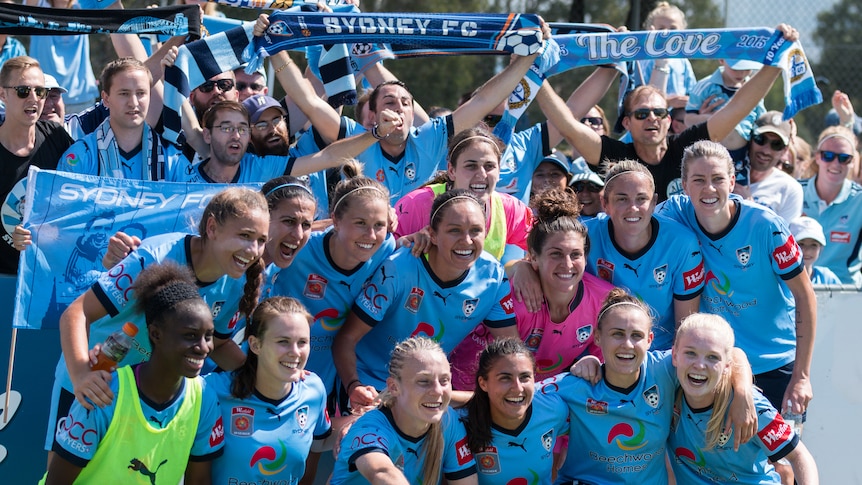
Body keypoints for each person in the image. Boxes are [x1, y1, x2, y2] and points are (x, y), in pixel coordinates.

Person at [44, 187, 270, 457]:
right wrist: (81, 374)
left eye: (260, 240)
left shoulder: (236, 284)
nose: (253, 249)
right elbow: (76, 313)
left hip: (149, 400)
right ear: (212, 228)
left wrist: (266, 376)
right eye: (244, 235)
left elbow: (219, 346)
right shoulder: (153, 258)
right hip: (95, 385)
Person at [656, 140, 816, 431]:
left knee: (784, 465)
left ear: (732, 181)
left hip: (775, 365)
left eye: (717, 179)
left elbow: (805, 296)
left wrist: (802, 376)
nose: (709, 189)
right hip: (717, 368)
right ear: (684, 184)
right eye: (699, 180)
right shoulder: (674, 213)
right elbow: (628, 224)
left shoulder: (766, 225)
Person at [564, 24, 800, 201]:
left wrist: (774, 62)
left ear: (669, 120)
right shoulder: (615, 156)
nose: (652, 118)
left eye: (659, 112)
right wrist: (610, 64)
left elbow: (737, 109)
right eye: (642, 114)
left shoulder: (686, 148)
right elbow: (567, 122)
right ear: (626, 122)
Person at [550, 289, 755, 485]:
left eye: (637, 335)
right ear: (597, 337)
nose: (628, 345)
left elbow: (733, 353)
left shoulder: (665, 367)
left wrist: (743, 393)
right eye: (617, 334)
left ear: (649, 340)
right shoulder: (577, 384)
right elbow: (525, 395)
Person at [43, 262, 224, 484]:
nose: (204, 347)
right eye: (190, 335)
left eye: (209, 336)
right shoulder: (104, 394)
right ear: (155, 334)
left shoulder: (204, 398)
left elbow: (198, 481)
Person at [334, 190, 518, 404]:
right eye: (454, 230)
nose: (466, 240)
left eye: (475, 230)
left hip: (430, 393)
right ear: (432, 234)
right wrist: (354, 386)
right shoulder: (398, 268)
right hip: (372, 388)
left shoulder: (493, 276)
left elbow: (512, 351)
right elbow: (345, 339)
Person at [457, 189, 613, 382]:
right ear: (533, 257)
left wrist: (593, 362)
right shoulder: (514, 300)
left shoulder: (604, 300)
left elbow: (609, 367)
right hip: (477, 387)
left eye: (576, 254)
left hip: (544, 394)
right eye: (555, 254)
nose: (567, 264)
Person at [271, 163, 396, 397]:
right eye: (360, 223)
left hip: (323, 385)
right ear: (335, 221)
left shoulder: (386, 248)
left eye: (378, 225)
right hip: (273, 372)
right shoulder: (299, 247)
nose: (370, 235)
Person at [669, 313, 819, 484]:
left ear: (727, 365)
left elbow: (799, 456)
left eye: (712, 357)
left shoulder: (750, 406)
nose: (700, 365)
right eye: (690, 353)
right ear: (674, 355)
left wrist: (742, 392)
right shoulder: (664, 383)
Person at [206, 296, 338, 484]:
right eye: (283, 341)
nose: (295, 352)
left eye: (302, 342)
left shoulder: (313, 390)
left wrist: (357, 423)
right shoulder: (212, 390)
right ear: (255, 345)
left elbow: (321, 440)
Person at [584, 160, 705, 350]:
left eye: (641, 199)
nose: (633, 208)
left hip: (660, 355)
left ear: (654, 202)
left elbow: (685, 326)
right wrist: (524, 269)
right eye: (622, 199)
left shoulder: (682, 243)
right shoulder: (585, 237)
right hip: (600, 355)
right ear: (605, 203)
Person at [329, 337, 478, 485]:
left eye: (444, 380)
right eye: (424, 381)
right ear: (394, 387)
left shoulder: (449, 421)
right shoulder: (369, 429)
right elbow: (382, 472)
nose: (438, 391)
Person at [393, 127, 533, 261]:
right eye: (471, 166)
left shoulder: (510, 209)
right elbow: (379, 253)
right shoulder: (415, 204)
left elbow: (545, 247)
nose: (482, 174)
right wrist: (402, 245)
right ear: (451, 170)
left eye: (489, 166)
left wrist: (521, 267)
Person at [56, 57, 194, 181]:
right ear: (106, 98)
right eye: (124, 93)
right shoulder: (81, 156)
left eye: (141, 93)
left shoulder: (172, 159)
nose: (133, 103)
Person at [0, 56, 74, 275]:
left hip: (48, 275)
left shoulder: (56, 137)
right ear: (3, 94)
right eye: (23, 90)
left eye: (40, 91)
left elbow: (80, 194)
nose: (33, 98)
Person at [462, 338, 569, 484]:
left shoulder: (554, 409)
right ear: (483, 383)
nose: (518, 388)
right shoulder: (461, 425)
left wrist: (590, 361)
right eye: (505, 378)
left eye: (525, 377)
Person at [798, 126, 862, 287]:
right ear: (817, 157)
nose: (835, 163)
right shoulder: (795, 191)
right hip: (797, 286)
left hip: (845, 290)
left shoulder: (859, 199)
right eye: (828, 156)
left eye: (844, 158)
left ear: (853, 162)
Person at [734, 111, 803, 222]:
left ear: (785, 150)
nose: (766, 150)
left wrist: (749, 206)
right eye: (760, 139)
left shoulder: (790, 189)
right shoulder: (726, 174)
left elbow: (780, 237)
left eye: (776, 144)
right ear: (750, 139)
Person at [630, 2, 697, 110]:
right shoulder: (643, 60)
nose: (666, 33)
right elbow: (639, 95)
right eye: (661, 29)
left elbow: (692, 89)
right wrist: (668, 101)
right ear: (650, 30)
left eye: (673, 28)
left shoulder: (682, 60)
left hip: (678, 119)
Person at [684, 59, 766, 147]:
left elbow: (762, 120)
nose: (741, 73)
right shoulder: (705, 86)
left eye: (747, 69)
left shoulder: (754, 90)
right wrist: (711, 118)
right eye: (736, 69)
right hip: (710, 149)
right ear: (721, 60)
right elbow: (688, 120)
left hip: (743, 152)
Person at [789, 216, 841, 285]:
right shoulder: (779, 280)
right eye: (801, 244)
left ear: (821, 248)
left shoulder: (827, 278)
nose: (807, 251)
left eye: (813, 245)